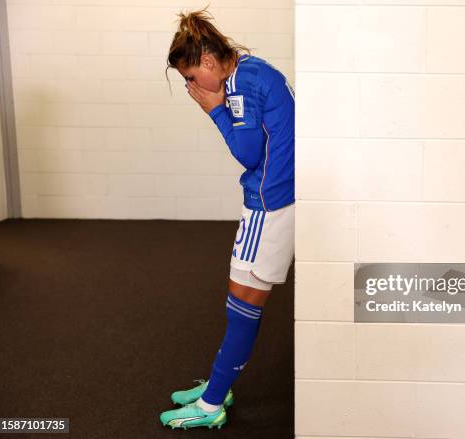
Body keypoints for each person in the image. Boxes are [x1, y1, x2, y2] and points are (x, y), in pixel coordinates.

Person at [159, 6, 295, 431]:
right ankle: (218, 386)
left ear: (207, 61)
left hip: (270, 202)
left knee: (242, 304)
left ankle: (212, 403)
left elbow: (248, 153)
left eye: (190, 77)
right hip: (276, 196)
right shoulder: (250, 71)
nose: (191, 87)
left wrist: (215, 110)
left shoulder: (239, 87)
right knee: (240, 301)